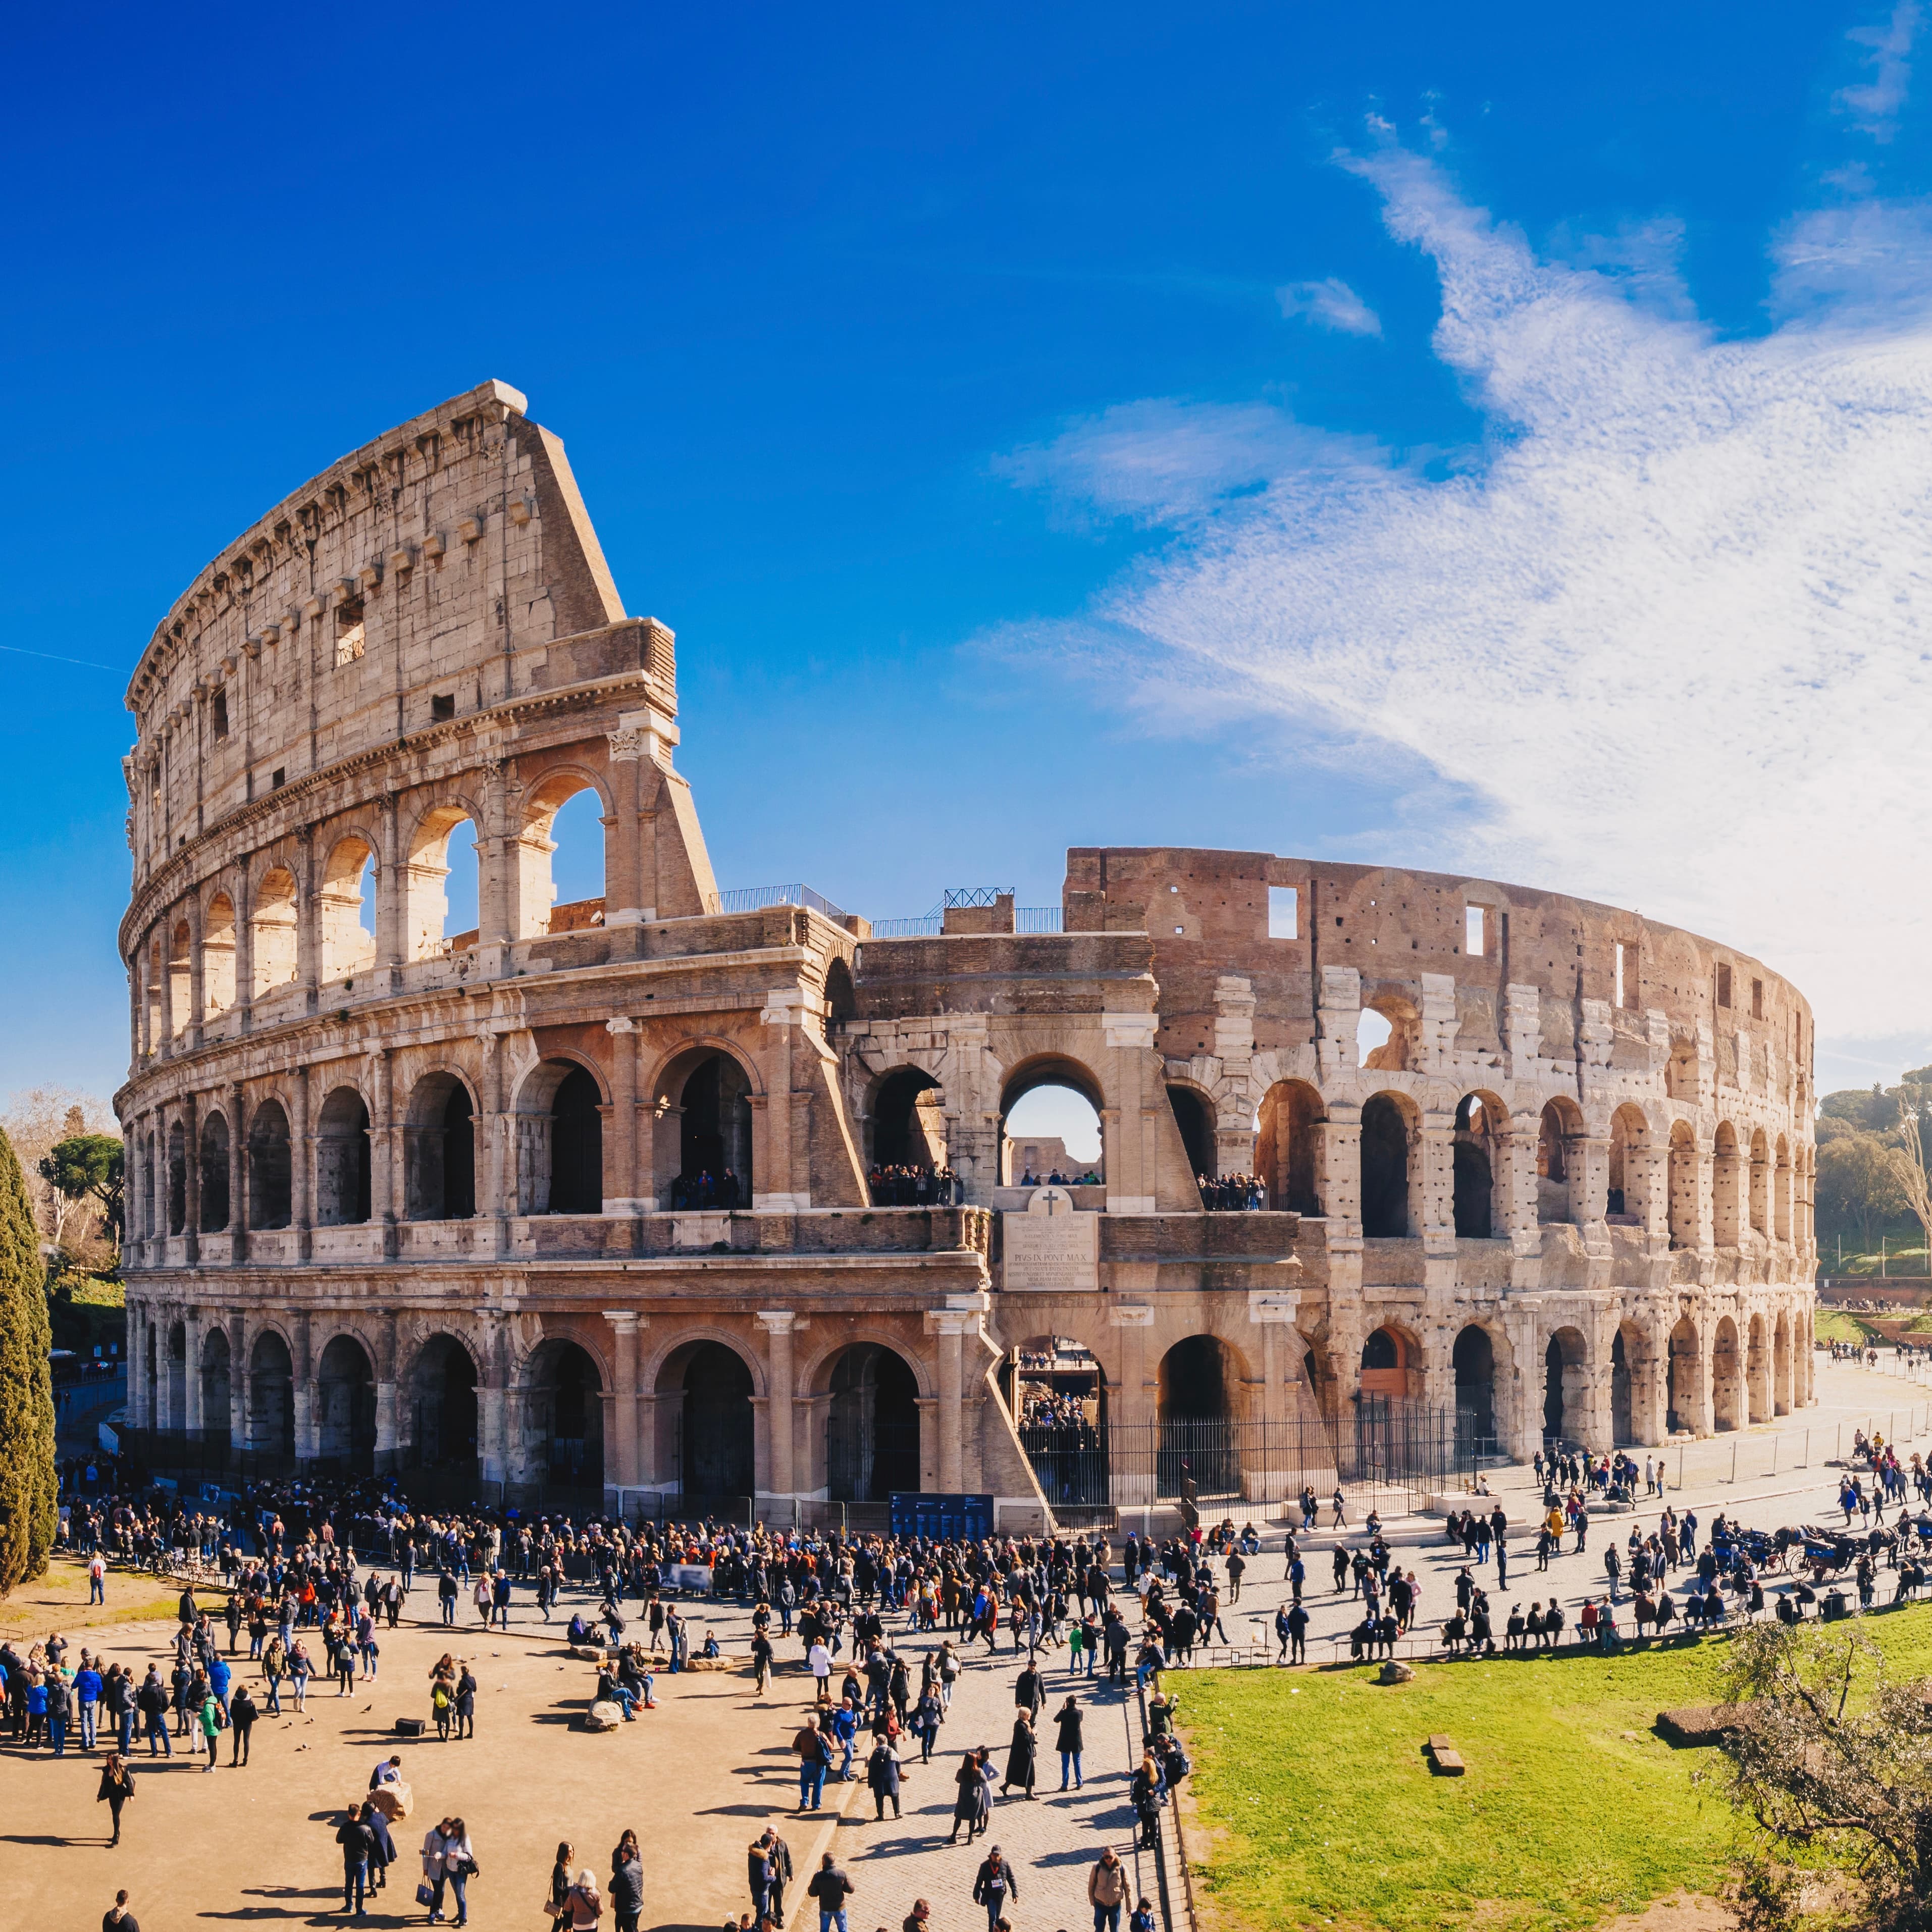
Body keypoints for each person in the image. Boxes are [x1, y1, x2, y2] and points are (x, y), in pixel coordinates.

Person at [336, 1801, 375, 1920]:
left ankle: (349, 1906)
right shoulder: (365, 1829)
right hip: (362, 1861)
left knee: (348, 1884)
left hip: (349, 1860)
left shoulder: (344, 1828)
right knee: (360, 1886)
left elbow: (339, 1840)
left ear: (349, 1814)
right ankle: (359, 1910)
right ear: (359, 1814)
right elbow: (372, 1841)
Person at [971, 1847, 1018, 1931]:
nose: (996, 1857)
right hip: (990, 1895)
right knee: (993, 1916)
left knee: (997, 1917)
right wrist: (976, 1896)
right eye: (994, 1855)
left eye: (997, 1855)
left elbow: (1011, 1879)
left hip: (1000, 1895)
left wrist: (1015, 1893)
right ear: (991, 1855)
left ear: (1000, 1856)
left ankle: (996, 1929)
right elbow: (979, 1881)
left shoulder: (1005, 1864)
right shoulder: (985, 1866)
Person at [806, 1852, 854, 1932]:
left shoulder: (818, 1877)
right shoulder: (842, 1874)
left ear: (823, 1862)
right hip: (840, 1908)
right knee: (843, 1930)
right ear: (834, 1862)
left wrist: (816, 1880)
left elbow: (812, 1893)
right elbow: (851, 1889)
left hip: (825, 1908)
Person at [96, 1752, 135, 1846]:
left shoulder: (122, 1770)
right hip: (111, 1795)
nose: (110, 1761)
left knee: (116, 1815)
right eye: (108, 1759)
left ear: (115, 1760)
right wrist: (99, 1795)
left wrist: (131, 1795)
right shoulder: (106, 1770)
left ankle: (116, 1835)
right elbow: (103, 1783)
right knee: (114, 1813)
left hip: (120, 1795)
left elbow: (130, 1782)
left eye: (111, 1759)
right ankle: (116, 1832)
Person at [949, 1750, 985, 1845]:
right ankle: (970, 1838)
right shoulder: (978, 1771)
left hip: (964, 1796)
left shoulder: (961, 1772)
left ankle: (954, 1836)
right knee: (973, 1818)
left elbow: (957, 1780)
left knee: (959, 1817)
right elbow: (984, 1779)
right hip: (975, 1797)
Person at [1088, 1848, 1129, 1932]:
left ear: (1115, 1856)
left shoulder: (1122, 1869)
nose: (1108, 1859)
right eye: (1106, 1857)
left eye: (1110, 1857)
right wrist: (1093, 1902)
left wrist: (1129, 1906)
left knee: (1114, 1930)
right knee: (1099, 1929)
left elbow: (1128, 1888)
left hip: (1115, 1906)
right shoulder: (1097, 1868)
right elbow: (1091, 1886)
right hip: (1100, 1905)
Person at [610, 1831, 643, 1932]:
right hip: (636, 1903)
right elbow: (615, 1867)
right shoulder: (637, 1866)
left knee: (629, 1928)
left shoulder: (623, 1870)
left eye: (631, 1842)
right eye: (626, 1841)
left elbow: (611, 1888)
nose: (628, 1843)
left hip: (628, 1906)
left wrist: (623, 1869)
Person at [1002, 1707, 1036, 1798]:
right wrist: (1033, 1734)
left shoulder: (1024, 1724)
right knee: (1028, 1773)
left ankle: (1006, 1787)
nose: (1030, 1716)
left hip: (1022, 1753)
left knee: (1020, 1772)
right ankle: (1028, 1794)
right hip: (1023, 1753)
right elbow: (1027, 1740)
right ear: (1024, 1715)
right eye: (1029, 1715)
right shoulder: (1020, 1726)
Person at [865, 1735, 902, 1820]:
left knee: (879, 1798)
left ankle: (881, 1816)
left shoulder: (876, 1753)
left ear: (877, 1743)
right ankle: (897, 1812)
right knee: (895, 1796)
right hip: (892, 1778)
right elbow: (898, 1765)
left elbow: (871, 1769)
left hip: (879, 1779)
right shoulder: (893, 1752)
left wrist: (870, 1782)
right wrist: (897, 1775)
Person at [1055, 1695, 1084, 1790]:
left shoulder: (1064, 1713)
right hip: (1076, 1742)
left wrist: (1062, 1709)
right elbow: (1080, 1719)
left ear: (1067, 1703)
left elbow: (1056, 1720)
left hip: (1065, 1742)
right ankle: (1079, 1783)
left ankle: (1065, 1785)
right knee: (1077, 1763)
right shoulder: (1079, 1713)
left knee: (1065, 1764)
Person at [547, 1843, 575, 1932]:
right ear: (564, 1852)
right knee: (558, 1925)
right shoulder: (559, 1866)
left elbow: (569, 1881)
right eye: (570, 1851)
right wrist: (567, 1892)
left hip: (569, 1900)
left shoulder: (568, 1864)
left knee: (567, 1927)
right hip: (563, 1902)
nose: (572, 1852)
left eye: (572, 1850)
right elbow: (556, 1886)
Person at [229, 1684, 257, 1765]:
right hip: (248, 1723)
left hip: (237, 1723)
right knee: (246, 1741)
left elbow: (232, 1713)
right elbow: (253, 1713)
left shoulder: (234, 1701)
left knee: (236, 1741)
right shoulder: (250, 1701)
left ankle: (235, 1761)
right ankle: (245, 1760)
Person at [567, 1867, 602, 1932]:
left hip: (577, 1924)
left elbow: (567, 1908)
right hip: (592, 1925)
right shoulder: (596, 1894)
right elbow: (600, 1911)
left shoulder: (573, 1893)